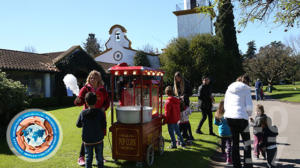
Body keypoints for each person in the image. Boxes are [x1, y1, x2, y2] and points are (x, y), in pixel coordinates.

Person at [74, 70, 110, 166]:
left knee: (99, 135)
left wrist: (103, 108)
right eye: (91, 77)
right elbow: (80, 101)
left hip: (99, 116)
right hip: (88, 115)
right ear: (88, 79)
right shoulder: (85, 89)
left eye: (95, 77)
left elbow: (107, 102)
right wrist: (77, 101)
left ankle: (100, 157)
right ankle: (81, 157)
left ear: (99, 79)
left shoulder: (102, 89)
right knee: (87, 136)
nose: (92, 79)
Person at [224, 75, 253, 168]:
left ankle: (236, 164)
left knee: (235, 143)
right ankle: (247, 164)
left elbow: (226, 103)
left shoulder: (229, 88)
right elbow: (249, 106)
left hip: (230, 117)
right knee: (247, 142)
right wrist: (248, 114)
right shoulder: (246, 89)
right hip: (241, 117)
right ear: (247, 82)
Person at [76, 92, 107, 168]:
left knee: (88, 159)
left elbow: (78, 124)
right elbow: (104, 125)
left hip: (87, 140)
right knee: (99, 158)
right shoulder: (100, 112)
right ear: (96, 101)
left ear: (86, 102)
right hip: (98, 139)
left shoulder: (83, 113)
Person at [173, 72, 193, 140]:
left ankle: (190, 135)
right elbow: (175, 94)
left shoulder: (186, 82)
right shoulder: (175, 84)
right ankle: (183, 134)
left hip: (185, 103)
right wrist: (178, 97)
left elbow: (190, 93)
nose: (178, 80)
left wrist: (184, 96)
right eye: (176, 78)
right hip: (179, 103)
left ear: (181, 77)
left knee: (186, 119)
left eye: (178, 78)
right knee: (180, 119)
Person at [214, 100, 232, 164]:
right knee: (229, 145)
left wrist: (221, 125)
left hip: (222, 131)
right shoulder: (229, 112)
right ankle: (229, 158)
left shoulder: (217, 113)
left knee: (223, 144)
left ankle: (223, 154)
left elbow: (215, 123)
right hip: (229, 131)